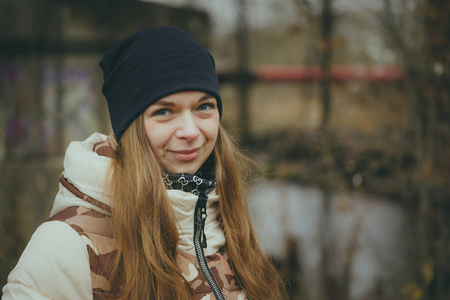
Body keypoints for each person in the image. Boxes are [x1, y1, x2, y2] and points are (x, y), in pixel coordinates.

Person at [2, 27, 286, 300]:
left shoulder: (223, 217)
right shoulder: (66, 245)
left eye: (204, 106)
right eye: (164, 111)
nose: (190, 131)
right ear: (131, 128)